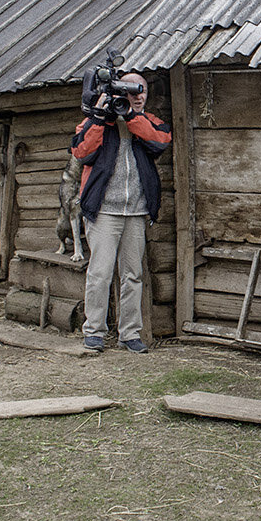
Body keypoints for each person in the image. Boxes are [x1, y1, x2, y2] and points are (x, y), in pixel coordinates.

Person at [71, 72, 172, 354]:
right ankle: (94, 331)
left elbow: (160, 141)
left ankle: (129, 334)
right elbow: (80, 152)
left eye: (142, 92)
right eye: (131, 92)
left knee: (133, 275)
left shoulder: (148, 121)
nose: (138, 97)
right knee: (100, 273)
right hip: (104, 211)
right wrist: (100, 118)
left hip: (136, 211)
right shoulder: (99, 121)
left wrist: (130, 117)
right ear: (120, 93)